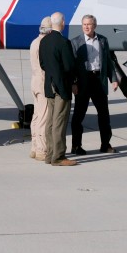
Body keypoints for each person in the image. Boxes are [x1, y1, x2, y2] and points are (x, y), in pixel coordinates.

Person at [70, 14, 119, 155]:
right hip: (83, 81)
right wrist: (73, 83)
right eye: (84, 24)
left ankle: (105, 144)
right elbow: (72, 66)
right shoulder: (75, 42)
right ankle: (76, 146)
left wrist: (113, 79)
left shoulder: (103, 40)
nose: (86, 27)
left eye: (89, 24)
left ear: (94, 25)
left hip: (99, 80)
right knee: (78, 115)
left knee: (104, 115)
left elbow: (108, 61)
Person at [38, 12, 78, 167]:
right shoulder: (63, 42)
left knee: (50, 122)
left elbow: (42, 64)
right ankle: (59, 156)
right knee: (59, 122)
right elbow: (69, 66)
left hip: (49, 85)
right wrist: (73, 80)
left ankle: (49, 154)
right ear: (62, 23)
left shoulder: (44, 41)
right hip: (62, 87)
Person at [29, 16, 52, 161]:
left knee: (36, 116)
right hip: (43, 83)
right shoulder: (44, 44)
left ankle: (34, 146)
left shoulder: (34, 42)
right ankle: (42, 150)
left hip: (34, 81)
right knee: (44, 117)